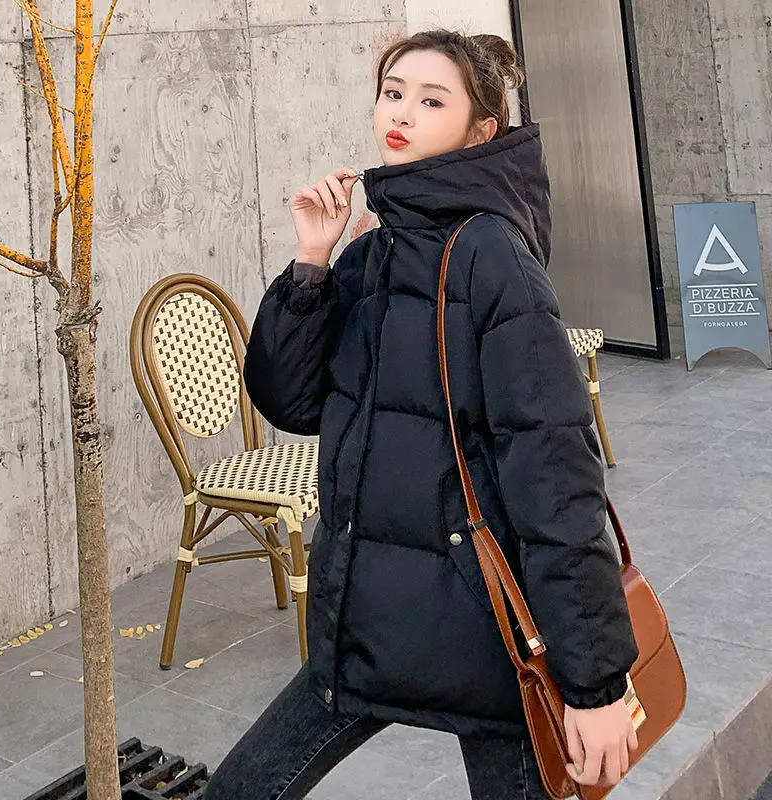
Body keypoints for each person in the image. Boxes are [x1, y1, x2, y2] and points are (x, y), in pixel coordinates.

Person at [206, 29, 639, 800]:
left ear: (480, 131)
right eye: (393, 92)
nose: (401, 113)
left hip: (487, 632)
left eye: (432, 101)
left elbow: (555, 472)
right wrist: (312, 261)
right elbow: (294, 402)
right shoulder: (375, 253)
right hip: (367, 622)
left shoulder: (491, 256)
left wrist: (596, 683)